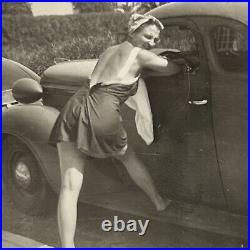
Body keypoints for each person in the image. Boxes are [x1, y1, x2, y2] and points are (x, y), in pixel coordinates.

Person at [50, 14, 172, 248]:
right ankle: (159, 202)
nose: (152, 43)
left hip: (74, 107)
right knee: (127, 157)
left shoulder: (108, 51)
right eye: (148, 36)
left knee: (69, 185)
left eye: (156, 40)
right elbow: (170, 67)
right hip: (101, 114)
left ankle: (67, 246)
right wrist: (175, 58)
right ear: (133, 32)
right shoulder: (142, 55)